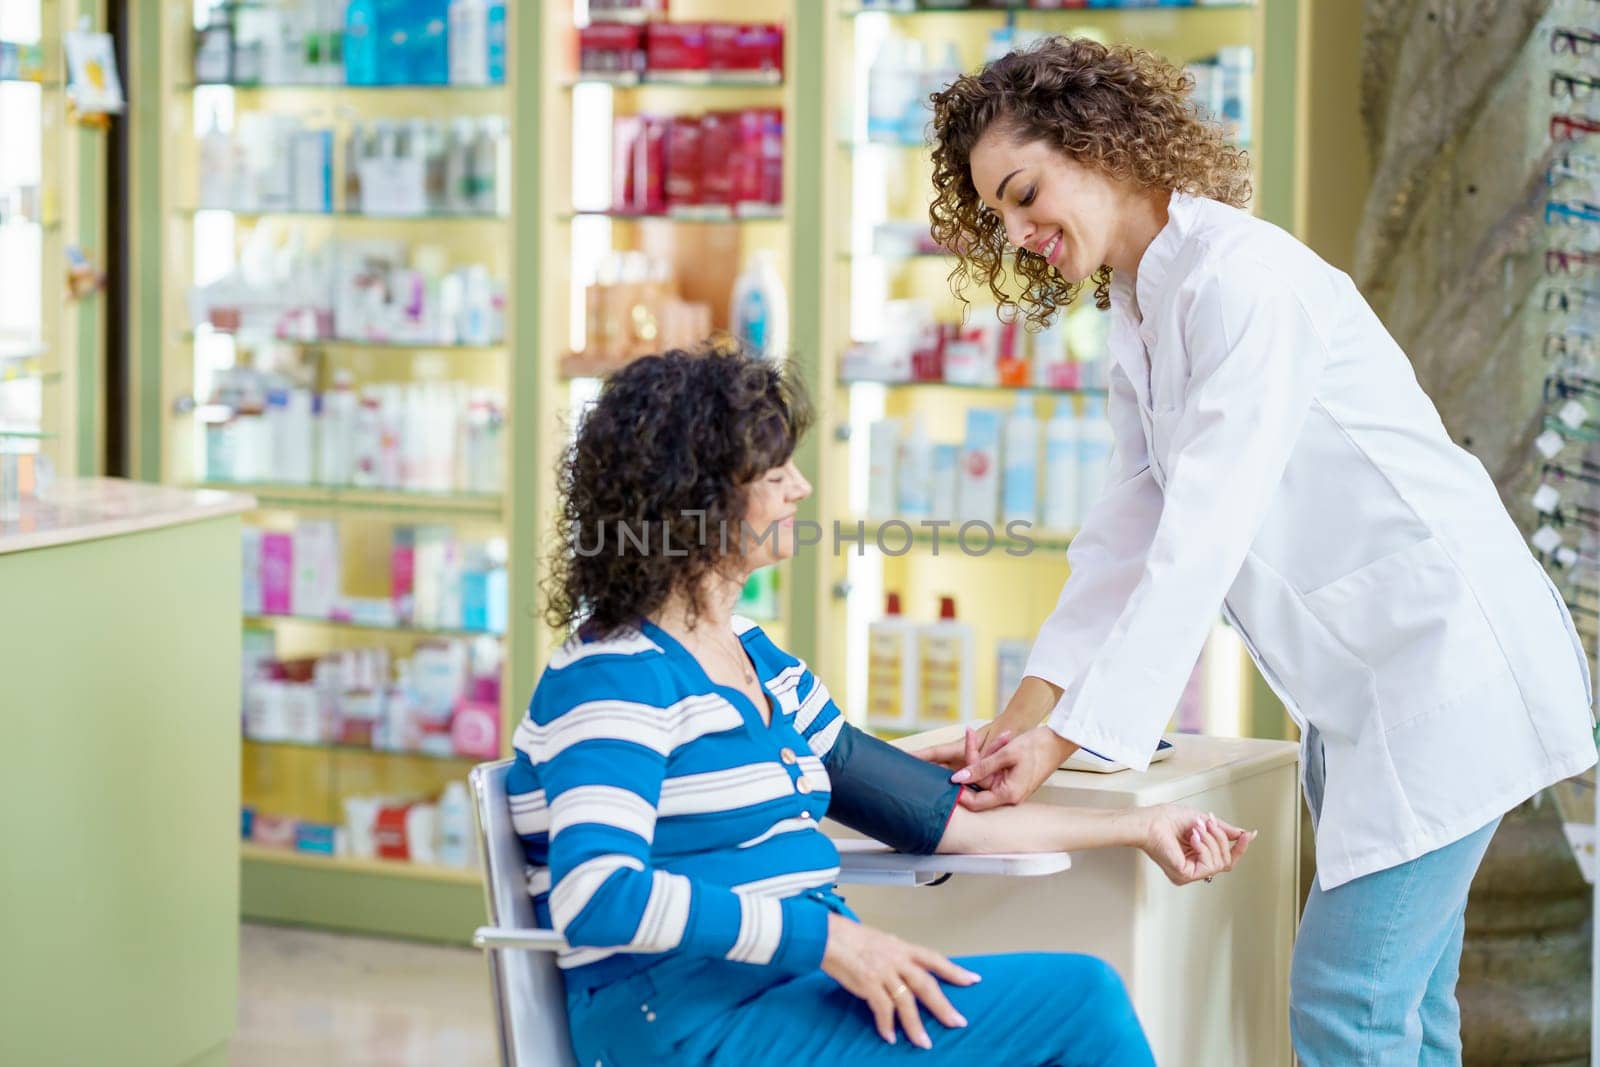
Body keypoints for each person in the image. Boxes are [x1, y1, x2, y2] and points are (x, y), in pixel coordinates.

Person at [912, 35, 1599, 1066]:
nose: (1017, 234)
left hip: (1446, 670)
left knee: (1347, 1001)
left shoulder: (1243, 280)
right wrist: (1023, 714)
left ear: (1097, 143)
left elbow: (1202, 534)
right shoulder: (1142, 306)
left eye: (1022, 193)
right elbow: (1125, 535)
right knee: (1409, 1014)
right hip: (1367, 693)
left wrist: (1064, 742)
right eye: (997, 218)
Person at [508, 344, 1252, 1066]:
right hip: (686, 1025)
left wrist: (1142, 825)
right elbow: (595, 892)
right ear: (696, 503)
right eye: (774, 473)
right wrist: (828, 940)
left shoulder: (760, 664)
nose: (800, 488)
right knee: (1079, 1003)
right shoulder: (612, 677)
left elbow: (942, 818)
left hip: (797, 994)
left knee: (1071, 1000)